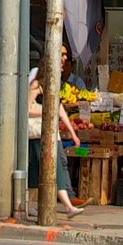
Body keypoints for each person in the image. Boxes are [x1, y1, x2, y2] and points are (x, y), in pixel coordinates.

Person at [24, 74, 85, 217]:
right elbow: (26, 109)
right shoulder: (36, 86)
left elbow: (60, 111)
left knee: (37, 170)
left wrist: (73, 134)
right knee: (53, 168)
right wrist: (46, 111)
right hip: (38, 134)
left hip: (52, 133)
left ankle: (28, 205)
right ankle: (68, 206)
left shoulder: (53, 87)